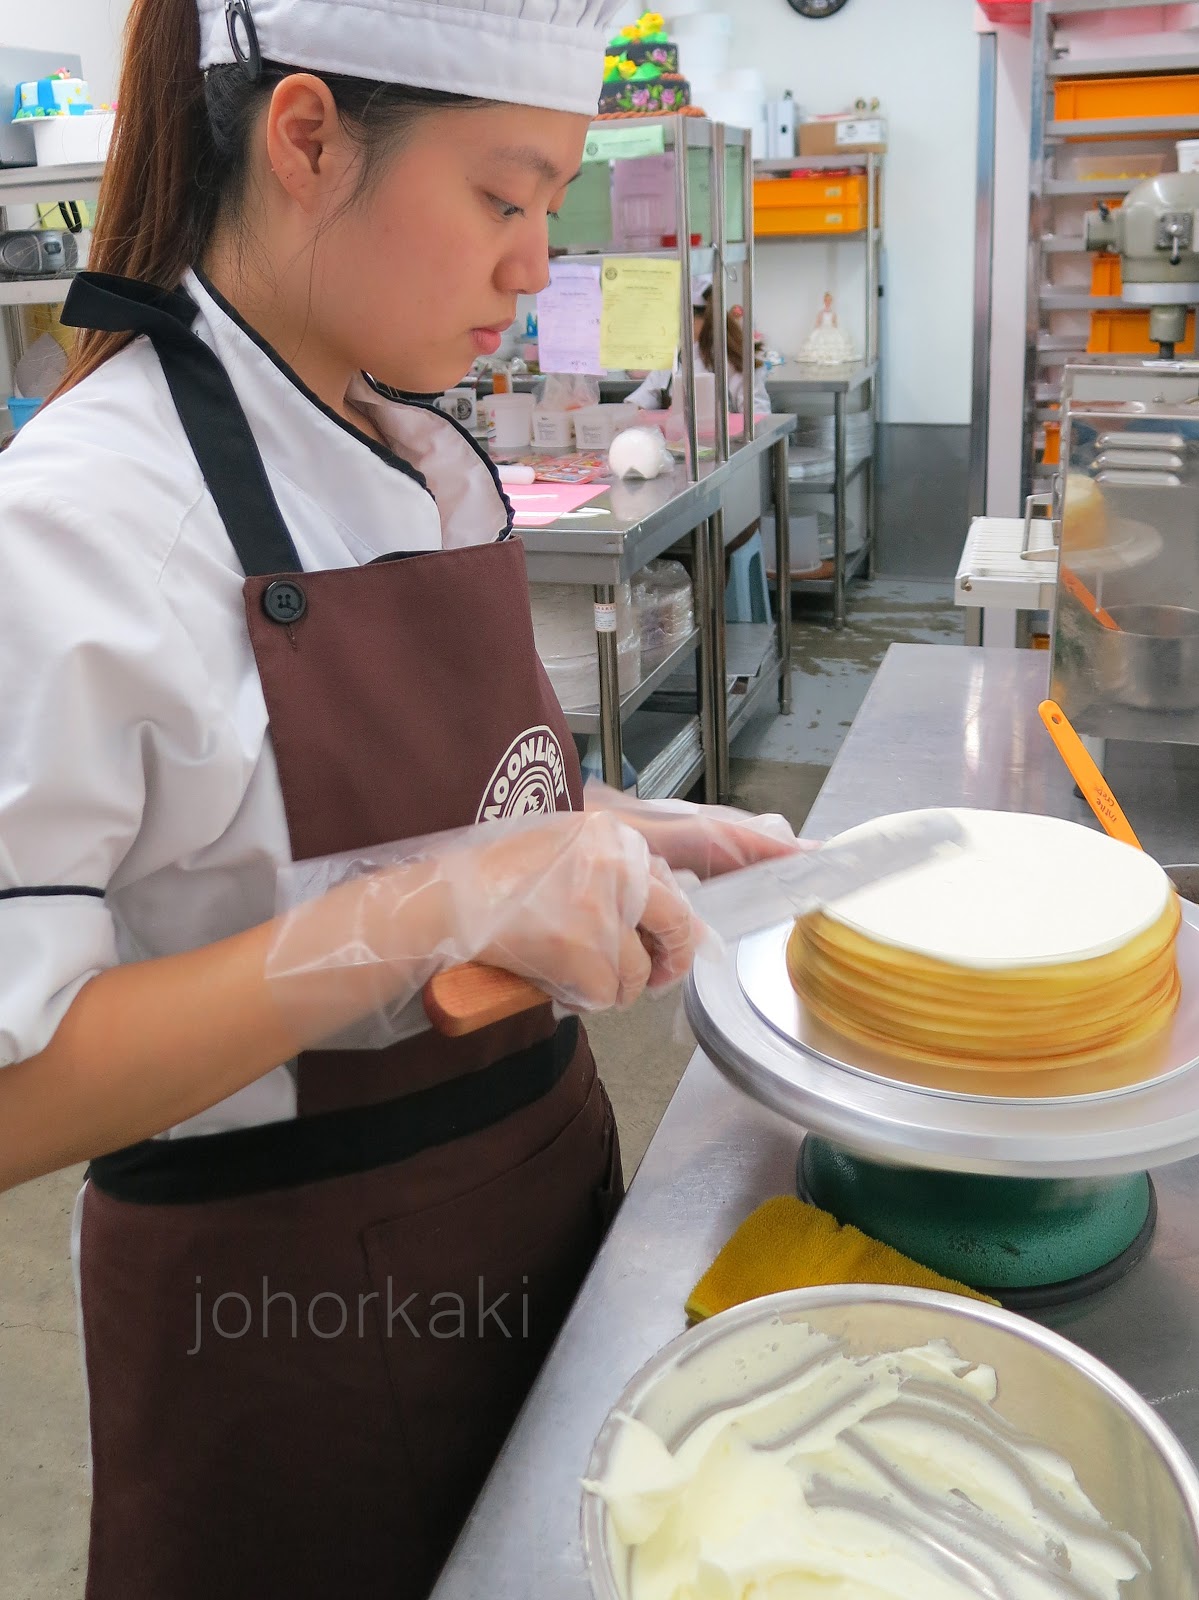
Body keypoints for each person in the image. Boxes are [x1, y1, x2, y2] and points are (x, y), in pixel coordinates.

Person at [0, 2, 801, 1596]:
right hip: (279, 1324)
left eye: (553, 208)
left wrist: (591, 823)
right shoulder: (79, 528)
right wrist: (425, 910)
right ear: (306, 138)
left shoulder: (421, 456)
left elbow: (382, 799)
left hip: (538, 1205)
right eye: (501, 198)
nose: (533, 266)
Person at [624, 277, 772, 416]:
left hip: (729, 436)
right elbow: (639, 401)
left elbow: (758, 419)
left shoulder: (736, 362)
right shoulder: (672, 359)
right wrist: (643, 412)